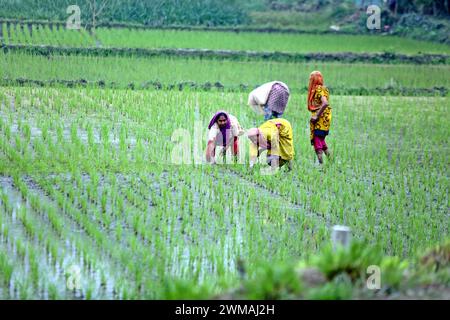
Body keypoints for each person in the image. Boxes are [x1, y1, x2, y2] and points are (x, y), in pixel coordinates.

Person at [307, 71, 332, 165]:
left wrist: (317, 116)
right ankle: (331, 162)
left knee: (317, 142)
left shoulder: (318, 89)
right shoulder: (324, 88)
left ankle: (320, 166)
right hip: (325, 119)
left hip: (320, 119)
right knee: (322, 141)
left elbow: (325, 103)